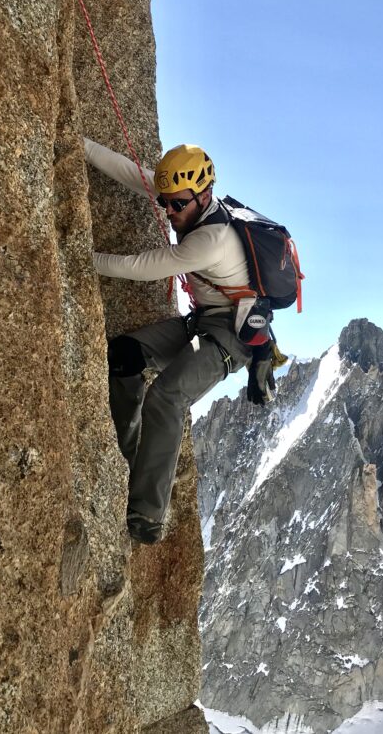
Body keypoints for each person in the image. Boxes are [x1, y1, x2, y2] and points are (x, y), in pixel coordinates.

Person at [85, 138, 273, 544]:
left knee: (167, 398)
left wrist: (80, 255)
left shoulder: (211, 239)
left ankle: (148, 514)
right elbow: (130, 173)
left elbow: (143, 266)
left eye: (177, 204)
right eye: (166, 202)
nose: (170, 212)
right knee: (125, 354)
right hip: (202, 322)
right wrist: (80, 146)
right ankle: (127, 456)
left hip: (230, 337)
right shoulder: (187, 198)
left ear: (203, 195)